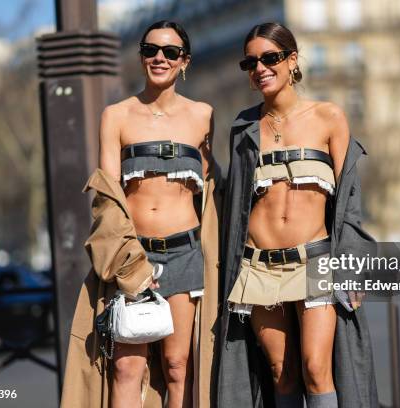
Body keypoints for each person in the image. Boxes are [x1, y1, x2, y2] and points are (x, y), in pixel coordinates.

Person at [60, 20, 222, 408]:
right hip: (133, 258)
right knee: (126, 369)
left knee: (178, 365)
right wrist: (129, 265)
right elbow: (107, 197)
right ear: (141, 57)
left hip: (185, 253)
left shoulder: (203, 116)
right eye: (150, 50)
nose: (159, 58)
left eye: (169, 52)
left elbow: (213, 192)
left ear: (185, 61)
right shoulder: (116, 115)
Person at [218, 22, 378, 408]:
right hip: (257, 267)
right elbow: (237, 204)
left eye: (270, 58)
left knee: (315, 366)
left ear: (292, 60)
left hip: (316, 260)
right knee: (280, 371)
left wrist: (350, 263)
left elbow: (348, 201)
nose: (260, 68)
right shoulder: (242, 127)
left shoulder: (329, 117)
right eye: (251, 62)